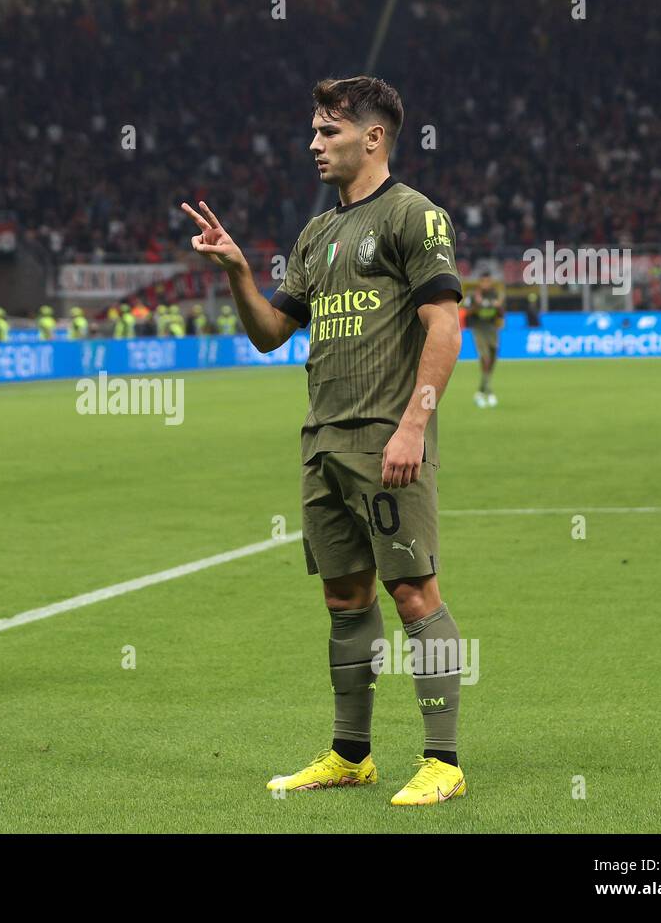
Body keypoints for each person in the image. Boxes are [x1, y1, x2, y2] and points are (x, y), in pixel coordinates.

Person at [182, 75, 467, 806]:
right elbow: (272, 334)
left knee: (412, 592)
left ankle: (444, 761)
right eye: (313, 131)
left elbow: (445, 324)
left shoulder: (413, 216)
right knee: (345, 598)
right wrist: (241, 272)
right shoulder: (316, 235)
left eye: (327, 131)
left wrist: (413, 424)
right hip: (322, 443)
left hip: (386, 438)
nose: (313, 143)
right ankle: (351, 755)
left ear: (372, 138)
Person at [467, 274, 504, 407]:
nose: (486, 284)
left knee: (492, 360)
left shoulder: (495, 295)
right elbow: (467, 313)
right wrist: (478, 305)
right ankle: (489, 391)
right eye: (483, 281)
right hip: (479, 330)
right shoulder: (473, 296)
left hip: (492, 330)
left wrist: (498, 306)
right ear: (480, 282)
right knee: (485, 358)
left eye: (488, 281)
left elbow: (501, 314)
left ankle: (481, 391)